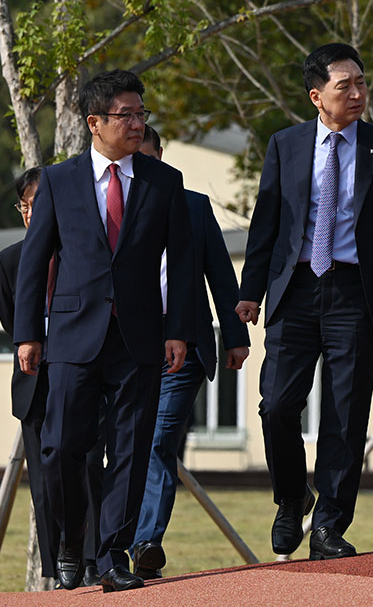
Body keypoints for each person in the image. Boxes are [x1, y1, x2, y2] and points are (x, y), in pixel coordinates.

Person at [235, 43, 373, 561]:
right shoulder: (286, 145)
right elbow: (266, 221)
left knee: (345, 414)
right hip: (294, 290)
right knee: (277, 406)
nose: (357, 93)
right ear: (317, 96)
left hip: (356, 294)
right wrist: (250, 291)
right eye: (345, 86)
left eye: (361, 83)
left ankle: (330, 526)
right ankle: (293, 497)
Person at [13, 69, 193, 592]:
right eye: (126, 115)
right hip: (71, 336)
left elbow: (181, 263)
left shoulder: (165, 182)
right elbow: (35, 260)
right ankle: (72, 543)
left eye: (142, 114)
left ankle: (112, 553)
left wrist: (178, 329)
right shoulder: (60, 181)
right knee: (62, 446)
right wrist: (29, 333)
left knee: (133, 448)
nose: (138, 123)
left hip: (140, 338)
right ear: (94, 123)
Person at [128, 126, 252, 580]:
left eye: (148, 159)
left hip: (184, 351)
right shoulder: (115, 209)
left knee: (159, 442)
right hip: (125, 352)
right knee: (124, 446)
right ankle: (106, 548)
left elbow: (221, 273)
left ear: (162, 155)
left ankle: (145, 543)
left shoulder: (194, 206)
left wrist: (235, 336)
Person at [0, 168, 102, 587]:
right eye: (27, 206)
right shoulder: (8, 261)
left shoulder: (82, 255)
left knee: (90, 467)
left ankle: (93, 560)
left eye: (40, 204)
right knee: (43, 484)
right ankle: (56, 570)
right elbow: (13, 323)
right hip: (35, 383)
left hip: (85, 374)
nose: (32, 213)